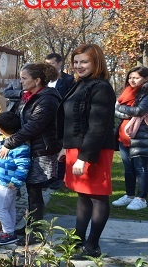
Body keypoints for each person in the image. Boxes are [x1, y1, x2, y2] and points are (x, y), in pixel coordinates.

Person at [57, 44, 116, 259]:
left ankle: (92, 245)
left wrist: (83, 157)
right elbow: (74, 120)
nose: (78, 66)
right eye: (76, 62)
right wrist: (66, 146)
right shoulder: (80, 84)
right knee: (83, 195)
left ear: (96, 62)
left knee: (98, 197)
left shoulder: (101, 87)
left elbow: (98, 126)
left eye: (84, 62)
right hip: (77, 148)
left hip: (94, 150)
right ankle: (76, 240)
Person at [0, 63, 63, 244]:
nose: (21, 81)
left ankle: (34, 232)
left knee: (35, 192)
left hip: (42, 150)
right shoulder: (31, 96)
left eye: (24, 78)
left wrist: (9, 143)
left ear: (37, 80)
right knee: (30, 191)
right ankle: (30, 226)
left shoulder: (47, 99)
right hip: (31, 148)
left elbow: (33, 126)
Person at [0, 112, 31, 246]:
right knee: (9, 207)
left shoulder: (19, 147)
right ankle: (9, 230)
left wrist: (16, 181)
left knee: (0, 207)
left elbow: (23, 166)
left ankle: (8, 233)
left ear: (0, 129)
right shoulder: (6, 142)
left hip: (7, 182)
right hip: (3, 180)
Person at [113, 66, 148, 211]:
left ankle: (141, 198)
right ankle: (129, 195)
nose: (132, 80)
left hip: (140, 136)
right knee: (128, 168)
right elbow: (116, 110)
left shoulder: (145, 91)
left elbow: (140, 111)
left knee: (141, 169)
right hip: (124, 136)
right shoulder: (127, 91)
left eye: (136, 77)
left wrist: (120, 108)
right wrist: (125, 112)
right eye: (130, 77)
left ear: (145, 78)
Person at [45, 53, 75, 190]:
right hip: (46, 119)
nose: (48, 66)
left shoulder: (68, 79)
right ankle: (49, 176)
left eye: (51, 64)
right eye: (47, 63)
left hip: (61, 119)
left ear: (59, 63)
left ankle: (59, 177)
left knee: (61, 149)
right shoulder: (44, 79)